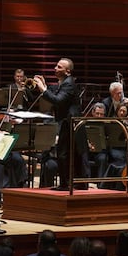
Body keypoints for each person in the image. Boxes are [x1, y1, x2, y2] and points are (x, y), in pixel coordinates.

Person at [30, 58, 86, 190]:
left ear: (67, 71)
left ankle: (65, 184)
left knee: (63, 154)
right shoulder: (65, 82)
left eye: (59, 67)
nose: (55, 68)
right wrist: (45, 85)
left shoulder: (69, 84)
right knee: (65, 154)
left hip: (70, 123)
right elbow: (56, 94)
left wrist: (43, 89)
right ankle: (67, 183)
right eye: (56, 66)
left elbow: (58, 100)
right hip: (67, 122)